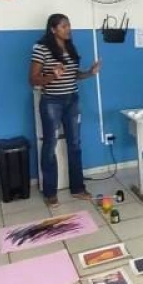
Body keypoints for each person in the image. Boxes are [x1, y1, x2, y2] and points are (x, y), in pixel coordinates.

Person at [29, 14, 101, 207]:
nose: (68, 29)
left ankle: (77, 188)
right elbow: (33, 79)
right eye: (63, 26)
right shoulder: (41, 49)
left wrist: (90, 73)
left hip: (72, 101)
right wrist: (52, 75)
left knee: (75, 144)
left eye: (69, 25)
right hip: (52, 102)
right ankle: (50, 193)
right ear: (53, 29)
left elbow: (73, 75)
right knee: (50, 146)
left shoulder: (70, 46)